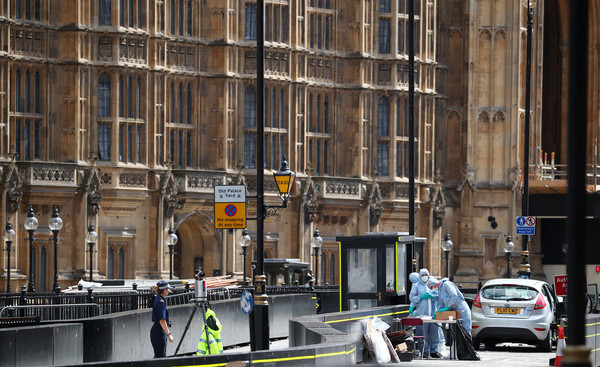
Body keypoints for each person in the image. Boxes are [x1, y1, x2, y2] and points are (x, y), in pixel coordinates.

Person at [408, 268, 445, 358]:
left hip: (432, 313)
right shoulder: (416, 285)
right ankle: (423, 350)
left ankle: (434, 351)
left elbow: (439, 296)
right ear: (420, 276)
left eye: (426, 275)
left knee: (434, 332)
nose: (425, 277)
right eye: (423, 275)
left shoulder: (432, 283)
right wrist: (421, 297)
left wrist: (433, 297)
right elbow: (412, 298)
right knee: (422, 333)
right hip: (421, 314)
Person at [151, 280, 174, 358]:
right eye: (167, 289)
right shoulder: (161, 302)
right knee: (160, 357)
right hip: (159, 332)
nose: (168, 291)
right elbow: (162, 320)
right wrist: (169, 335)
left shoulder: (159, 299)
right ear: (164, 290)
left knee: (159, 356)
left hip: (157, 331)